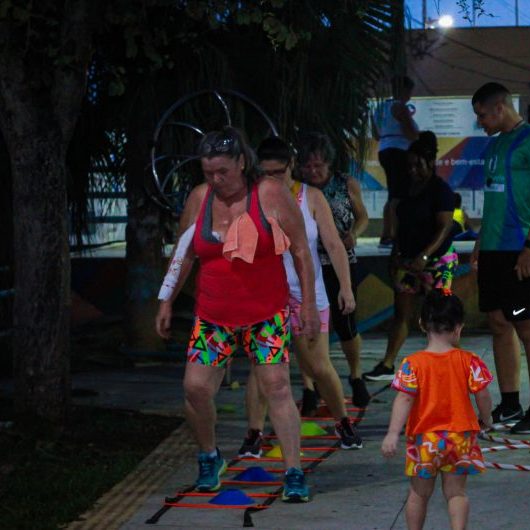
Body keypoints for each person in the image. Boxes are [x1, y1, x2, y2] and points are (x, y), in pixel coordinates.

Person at [154, 127, 316, 502]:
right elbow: (184, 255)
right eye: (209, 172)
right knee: (194, 388)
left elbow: (302, 253)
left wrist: (306, 304)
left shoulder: (270, 193)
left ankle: (293, 471)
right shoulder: (200, 198)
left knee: (276, 385)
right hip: (214, 314)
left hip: (266, 312)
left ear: (242, 163)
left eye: (223, 171)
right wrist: (166, 301)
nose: (216, 179)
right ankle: (209, 456)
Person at [237, 137, 362, 458]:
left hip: (308, 294)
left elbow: (334, 245)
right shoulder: (252, 197)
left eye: (279, 172)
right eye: (265, 173)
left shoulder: (312, 197)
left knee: (318, 366)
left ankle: (343, 422)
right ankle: (254, 433)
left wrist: (345, 288)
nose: (273, 179)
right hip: (267, 296)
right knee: (261, 367)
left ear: (291, 166)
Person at [470, 82, 530, 434]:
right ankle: (510, 404)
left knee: (528, 327)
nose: (480, 123)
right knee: (497, 322)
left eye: (482, 115)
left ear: (500, 108)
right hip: (492, 250)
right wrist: (480, 240)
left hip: (520, 249)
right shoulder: (494, 146)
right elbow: (494, 198)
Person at [381, 289, 493, 530]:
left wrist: (392, 433)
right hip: (460, 436)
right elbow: (482, 394)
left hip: (425, 438)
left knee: (419, 494)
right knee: (456, 493)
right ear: (459, 327)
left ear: (422, 324)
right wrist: (486, 419)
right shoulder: (470, 360)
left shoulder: (412, 363)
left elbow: (404, 399)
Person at [363, 132, 459, 381]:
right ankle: (387, 364)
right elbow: (401, 228)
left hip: (437, 261)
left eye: (418, 165)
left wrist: (425, 257)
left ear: (430, 162)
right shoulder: (406, 190)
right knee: (401, 312)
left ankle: (446, 362)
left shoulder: (441, 191)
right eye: (410, 166)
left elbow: (444, 228)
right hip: (408, 259)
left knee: (440, 314)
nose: (413, 170)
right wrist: (396, 254)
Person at [297, 132, 371, 409]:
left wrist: (354, 233)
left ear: (329, 164)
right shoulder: (297, 190)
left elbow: (362, 215)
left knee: (347, 323)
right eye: (308, 166)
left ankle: (355, 375)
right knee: (306, 326)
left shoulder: (345, 184)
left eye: (319, 166)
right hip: (308, 265)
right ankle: (309, 386)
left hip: (342, 260)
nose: (314, 171)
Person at [372, 75, 420, 247]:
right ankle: (396, 234)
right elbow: (410, 133)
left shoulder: (379, 107)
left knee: (393, 193)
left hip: (385, 150)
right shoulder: (400, 107)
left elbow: (376, 134)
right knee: (400, 194)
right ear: (404, 90)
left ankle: (387, 234)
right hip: (399, 151)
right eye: (409, 92)